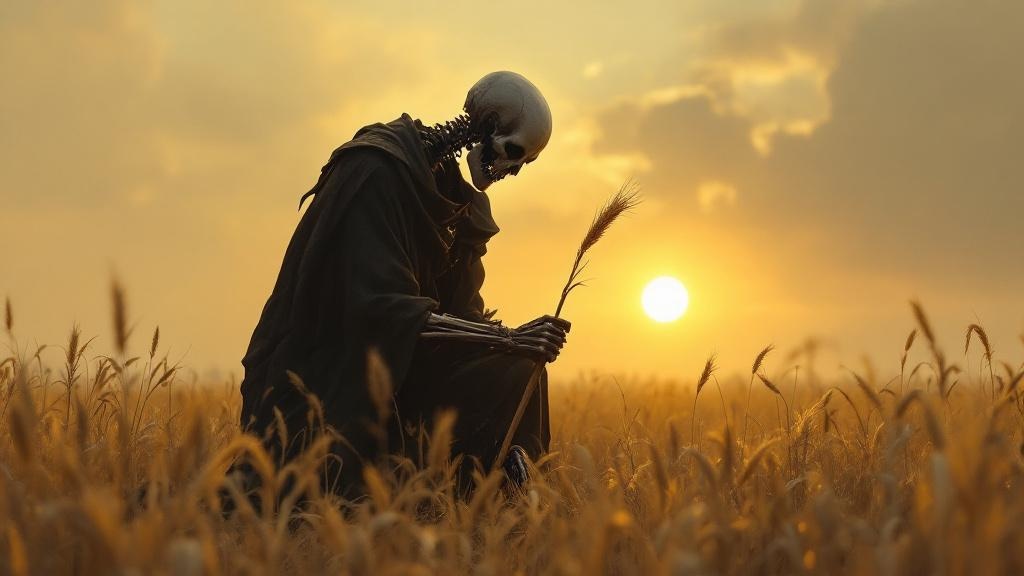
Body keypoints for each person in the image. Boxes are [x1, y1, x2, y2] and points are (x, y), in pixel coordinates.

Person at [235, 71, 570, 500]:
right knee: (513, 351)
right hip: (338, 369)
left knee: (520, 371)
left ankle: (503, 510)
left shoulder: (456, 202)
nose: (514, 171)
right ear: (488, 127)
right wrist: (506, 336)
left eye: (525, 164)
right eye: (514, 153)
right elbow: (382, 311)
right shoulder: (375, 170)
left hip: (409, 367)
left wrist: (510, 345)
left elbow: (461, 315)